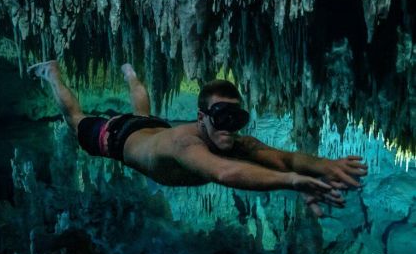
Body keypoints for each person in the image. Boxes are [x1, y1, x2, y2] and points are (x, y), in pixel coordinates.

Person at [28, 60, 367, 216]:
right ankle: (52, 73)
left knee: (143, 112)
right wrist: (294, 182)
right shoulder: (186, 144)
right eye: (221, 118)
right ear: (202, 118)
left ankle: (131, 72)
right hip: (112, 137)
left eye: (237, 119)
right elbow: (225, 173)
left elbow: (285, 158)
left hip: (150, 127)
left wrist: (324, 165)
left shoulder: (232, 139)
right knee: (75, 119)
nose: (229, 127)